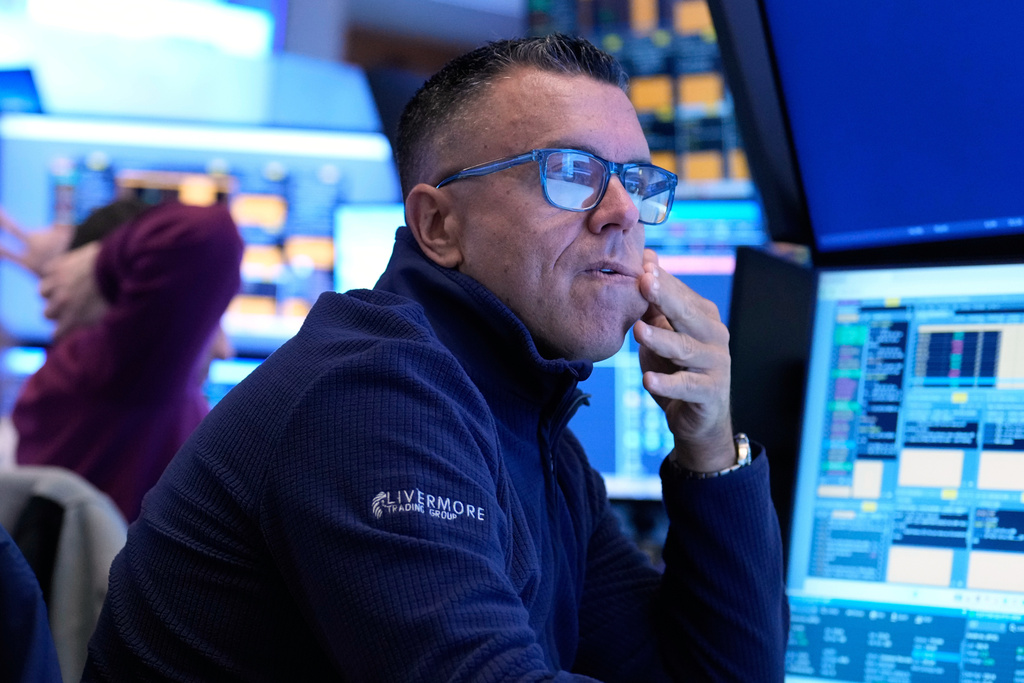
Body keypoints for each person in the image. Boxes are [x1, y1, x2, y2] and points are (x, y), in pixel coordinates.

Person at [84, 35, 788, 681]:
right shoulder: (369, 395)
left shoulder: (541, 444)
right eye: (571, 172)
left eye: (635, 181)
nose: (621, 212)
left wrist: (710, 448)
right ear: (438, 225)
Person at [1, 199, 243, 520]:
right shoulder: (122, 377)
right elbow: (208, 235)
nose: (226, 350)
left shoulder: (80, 379)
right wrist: (100, 266)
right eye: (206, 318)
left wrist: (72, 279)